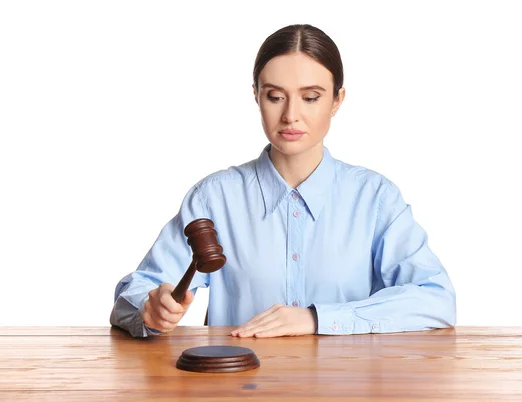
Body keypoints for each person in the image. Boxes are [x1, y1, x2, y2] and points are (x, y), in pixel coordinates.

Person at [110, 24, 456, 338]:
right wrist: (149, 307)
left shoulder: (374, 198)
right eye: (275, 96)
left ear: (337, 100)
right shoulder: (215, 198)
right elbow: (136, 292)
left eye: (310, 97)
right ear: (256, 96)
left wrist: (317, 319)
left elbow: (436, 300)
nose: (291, 115)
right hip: (240, 387)